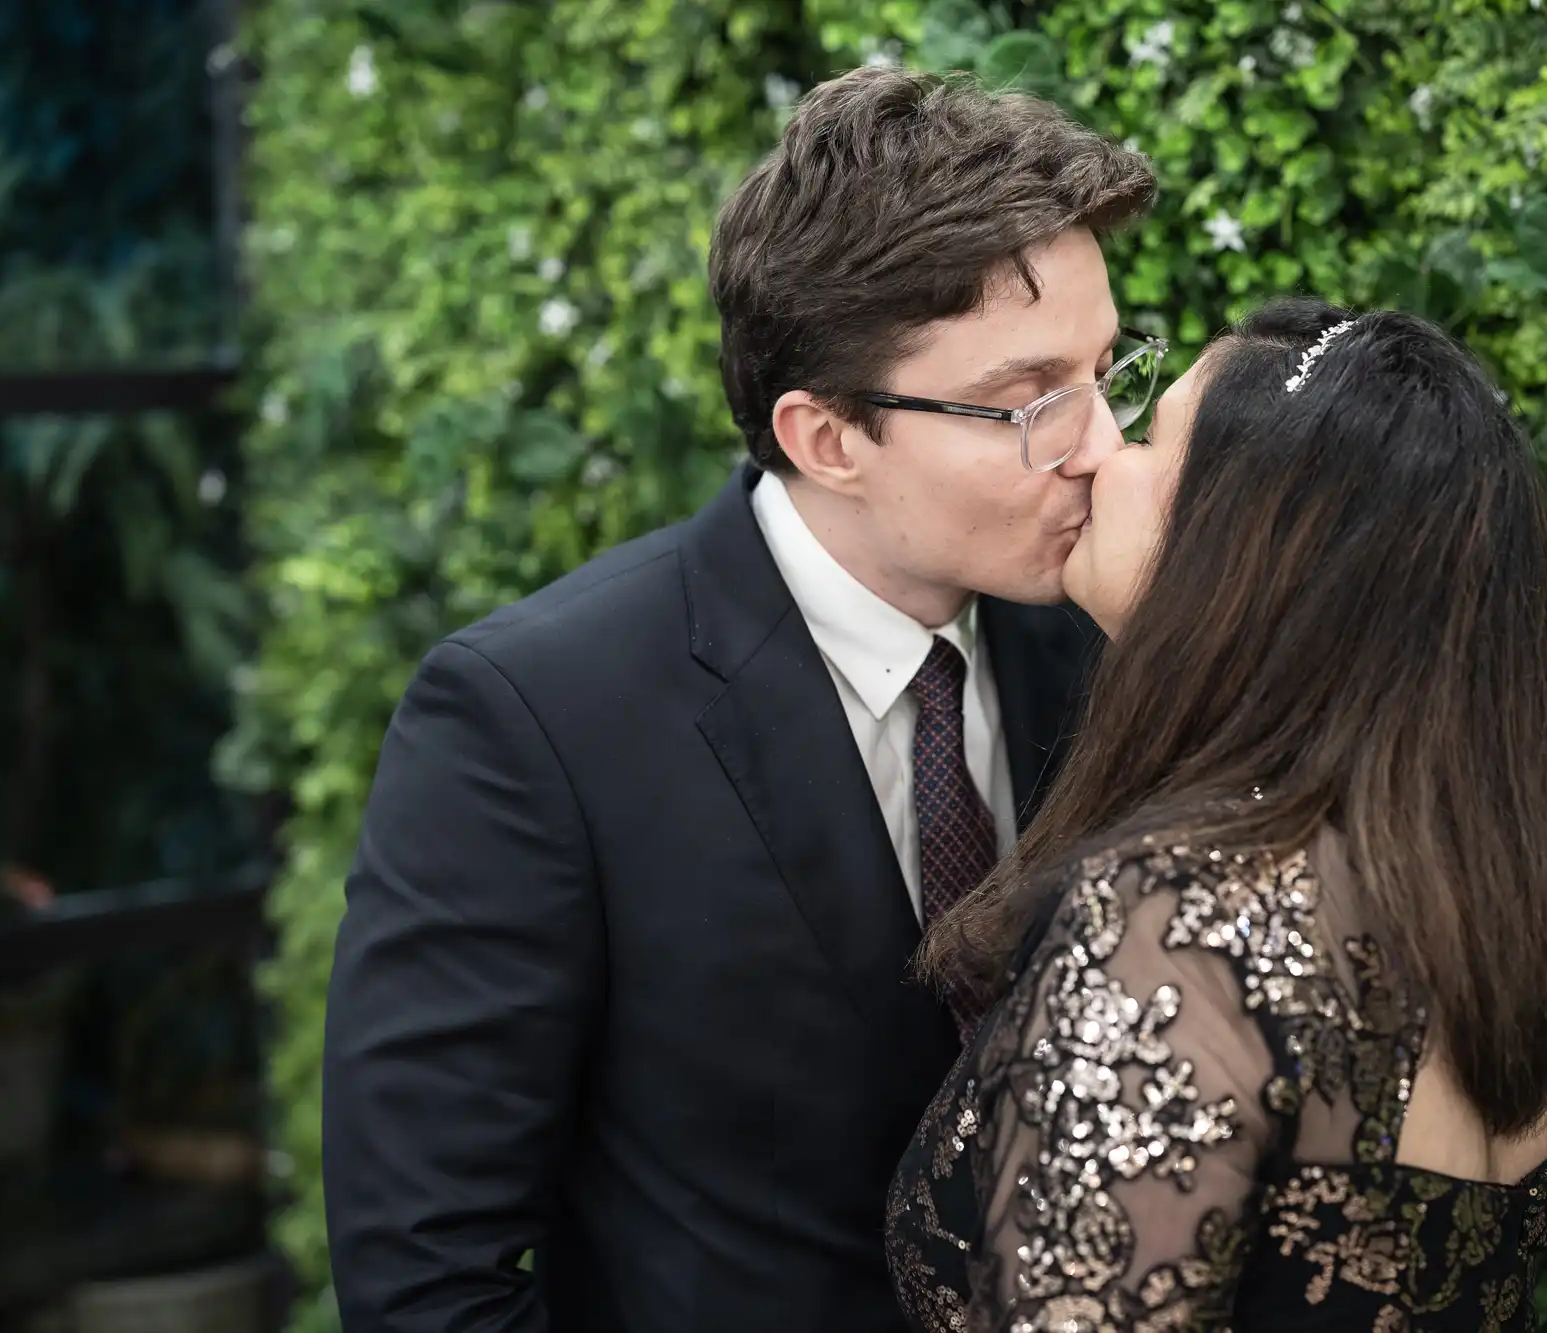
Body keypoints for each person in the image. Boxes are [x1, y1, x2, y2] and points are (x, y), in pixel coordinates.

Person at [321, 68, 1160, 1333]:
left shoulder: (1103, 645)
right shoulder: (534, 718)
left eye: (1105, 371)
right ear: (825, 438)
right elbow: (427, 1277)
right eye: (1022, 401)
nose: (1096, 445)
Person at [886, 298, 1547, 1331]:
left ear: (1256, 545)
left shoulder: (1178, 923)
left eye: (1153, 438)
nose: (1102, 452)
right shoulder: (1478, 902)